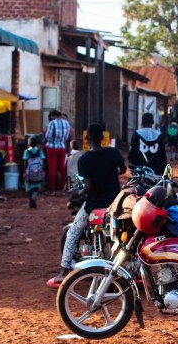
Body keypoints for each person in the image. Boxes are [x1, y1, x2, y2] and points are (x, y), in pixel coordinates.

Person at [48, 123, 127, 286]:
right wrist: (111, 174)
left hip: (94, 204)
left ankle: (64, 270)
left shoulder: (84, 159)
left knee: (73, 232)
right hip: (114, 203)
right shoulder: (113, 152)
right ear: (103, 137)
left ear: (87, 139)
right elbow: (123, 169)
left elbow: (89, 187)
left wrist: (77, 193)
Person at [44, 110, 71, 193]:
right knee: (62, 169)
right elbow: (66, 137)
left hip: (51, 148)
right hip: (62, 148)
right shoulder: (66, 123)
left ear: (52, 116)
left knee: (52, 169)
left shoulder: (52, 123)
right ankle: (62, 189)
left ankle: (52, 189)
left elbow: (47, 136)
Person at [24, 136, 46, 209]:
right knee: (36, 186)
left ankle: (31, 200)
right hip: (38, 171)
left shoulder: (27, 151)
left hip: (29, 172)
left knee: (29, 187)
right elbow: (43, 161)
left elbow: (25, 162)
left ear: (28, 144)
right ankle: (34, 198)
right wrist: (43, 170)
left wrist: (24, 171)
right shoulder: (40, 151)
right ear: (37, 144)